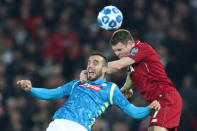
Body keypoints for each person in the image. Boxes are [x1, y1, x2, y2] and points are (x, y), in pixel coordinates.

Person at [17, 51, 160, 131]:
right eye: (89, 62)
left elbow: (133, 111)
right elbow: (52, 93)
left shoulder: (111, 89)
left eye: (95, 63)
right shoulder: (77, 83)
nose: (90, 66)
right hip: (57, 124)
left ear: (105, 69)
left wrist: (149, 108)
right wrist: (31, 89)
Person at [80, 29, 182, 131]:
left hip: (166, 98)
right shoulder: (131, 64)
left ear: (130, 43)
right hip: (157, 103)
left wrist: (92, 69)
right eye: (114, 51)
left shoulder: (142, 48)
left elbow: (118, 65)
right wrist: (123, 91)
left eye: (119, 50)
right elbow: (129, 82)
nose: (117, 54)